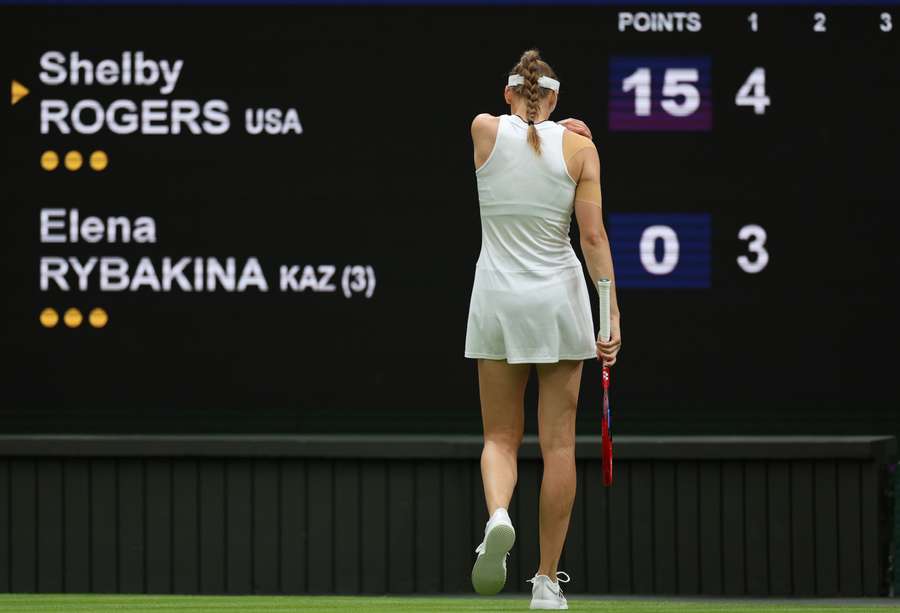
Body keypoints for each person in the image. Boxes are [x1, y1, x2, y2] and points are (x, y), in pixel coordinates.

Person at [465, 49, 622, 610]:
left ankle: (499, 516)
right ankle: (546, 581)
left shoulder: (484, 130)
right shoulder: (581, 147)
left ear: (509, 93)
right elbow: (595, 239)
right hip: (559, 303)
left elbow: (515, 126)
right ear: (555, 98)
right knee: (558, 446)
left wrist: (541, 119)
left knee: (498, 438)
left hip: (498, 302)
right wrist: (611, 315)